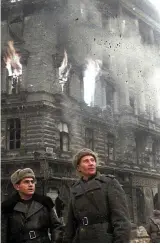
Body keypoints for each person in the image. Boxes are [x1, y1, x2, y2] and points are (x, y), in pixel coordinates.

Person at [64, 148, 131, 243]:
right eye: (86, 161)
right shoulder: (75, 188)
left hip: (104, 238)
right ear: (78, 167)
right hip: (81, 238)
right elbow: (70, 223)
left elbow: (122, 220)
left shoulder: (109, 183)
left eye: (93, 160)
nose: (91, 163)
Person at [1, 168, 64, 243]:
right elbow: (3, 233)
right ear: (17, 186)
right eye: (26, 182)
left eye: (32, 181)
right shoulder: (8, 206)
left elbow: (56, 227)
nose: (31, 184)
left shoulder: (45, 203)